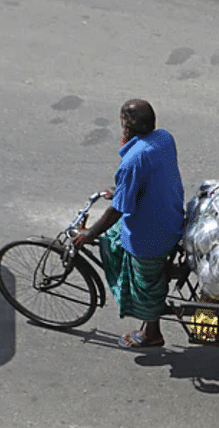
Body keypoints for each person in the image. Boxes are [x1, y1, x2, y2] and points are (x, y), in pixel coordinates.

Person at [72, 99, 185, 348]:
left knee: (145, 285)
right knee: (112, 239)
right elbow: (151, 177)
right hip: (172, 215)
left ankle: (151, 334)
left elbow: (119, 209)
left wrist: (89, 232)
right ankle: (167, 273)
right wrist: (123, 190)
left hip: (151, 235)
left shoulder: (132, 160)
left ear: (126, 124)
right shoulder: (164, 138)